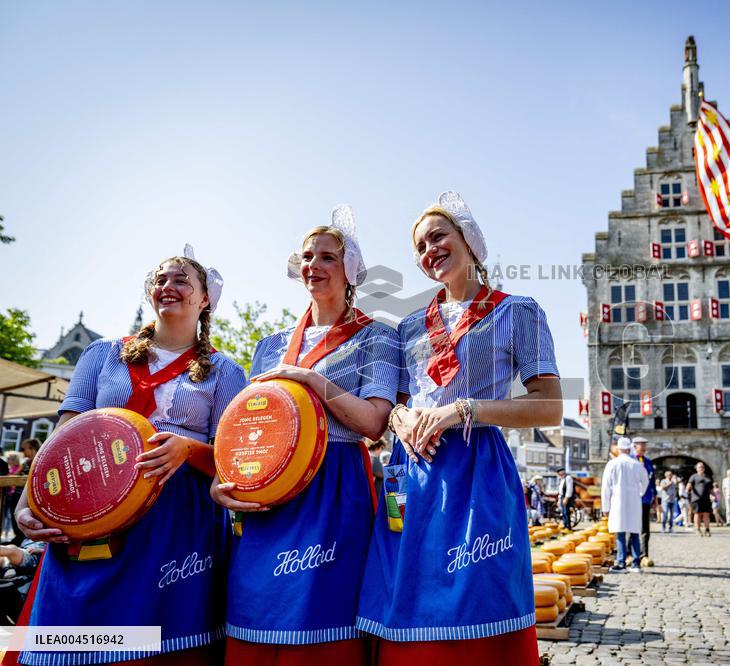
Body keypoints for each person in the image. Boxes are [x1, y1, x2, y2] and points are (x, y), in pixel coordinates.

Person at [15, 248, 247, 665]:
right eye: (160, 279)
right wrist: (26, 503)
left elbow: (232, 459)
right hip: (91, 508)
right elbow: (62, 437)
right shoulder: (103, 354)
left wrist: (187, 447)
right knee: (78, 637)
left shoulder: (224, 370)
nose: (166, 287)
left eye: (180, 280)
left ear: (205, 298)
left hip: (174, 520)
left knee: (156, 643)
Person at [357, 191, 562, 665]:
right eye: (420, 247)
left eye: (438, 236)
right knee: (408, 591)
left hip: (477, 469)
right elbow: (394, 407)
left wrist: (463, 409)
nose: (429, 251)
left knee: (478, 593)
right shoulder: (407, 326)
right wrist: (402, 417)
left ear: (468, 238)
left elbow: (549, 407)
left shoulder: (518, 311)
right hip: (411, 473)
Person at [211, 208, 399, 665]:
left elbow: (374, 423)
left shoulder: (378, 337)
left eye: (327, 257)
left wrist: (311, 380)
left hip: (335, 482)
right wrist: (223, 478)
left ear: (350, 270)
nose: (314, 265)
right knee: (258, 608)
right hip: (271, 483)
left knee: (324, 612)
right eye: (307, 256)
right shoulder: (270, 344)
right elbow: (248, 425)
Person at [601, 438, 649, 572]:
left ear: (618, 449)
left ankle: (621, 562)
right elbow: (645, 482)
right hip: (634, 501)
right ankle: (636, 563)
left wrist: (605, 507)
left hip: (617, 501)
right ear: (630, 448)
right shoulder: (637, 464)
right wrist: (640, 492)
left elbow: (606, 487)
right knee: (634, 532)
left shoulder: (612, 464)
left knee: (620, 532)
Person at [631, 437, 655, 565]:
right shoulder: (630, 462)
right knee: (632, 527)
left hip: (646, 499)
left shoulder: (648, 462)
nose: (644, 447)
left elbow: (652, 481)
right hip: (633, 499)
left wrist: (654, 497)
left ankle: (644, 555)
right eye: (642, 445)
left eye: (645, 445)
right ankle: (630, 554)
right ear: (635, 446)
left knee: (645, 528)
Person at [686, 463, 714, 536]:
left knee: (706, 514)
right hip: (696, 498)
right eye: (699, 467)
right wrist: (687, 491)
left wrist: (714, 495)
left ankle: (707, 529)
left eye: (702, 467)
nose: (701, 468)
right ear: (697, 469)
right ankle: (698, 529)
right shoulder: (693, 476)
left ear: (704, 468)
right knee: (698, 514)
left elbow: (711, 488)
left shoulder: (708, 477)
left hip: (706, 498)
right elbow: (689, 485)